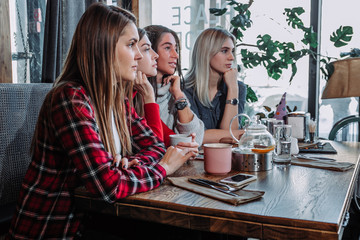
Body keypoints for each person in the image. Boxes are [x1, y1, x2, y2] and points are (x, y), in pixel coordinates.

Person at [6, 3, 197, 239]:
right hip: (52, 229)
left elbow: (156, 145)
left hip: (91, 221)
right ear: (102, 48)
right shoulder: (71, 98)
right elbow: (110, 186)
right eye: (131, 45)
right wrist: (164, 168)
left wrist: (132, 162)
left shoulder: (115, 99)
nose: (139, 54)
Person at [133, 28, 197, 147]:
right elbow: (156, 146)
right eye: (167, 48)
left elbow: (193, 138)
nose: (176, 55)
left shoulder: (172, 88)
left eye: (176, 49)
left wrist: (178, 95)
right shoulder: (137, 96)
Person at [184, 27, 247, 143]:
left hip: (225, 157)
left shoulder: (238, 88)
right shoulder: (184, 89)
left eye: (232, 51)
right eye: (224, 51)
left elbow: (229, 138)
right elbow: (194, 135)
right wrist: (242, 134)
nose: (231, 57)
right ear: (206, 53)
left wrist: (232, 89)